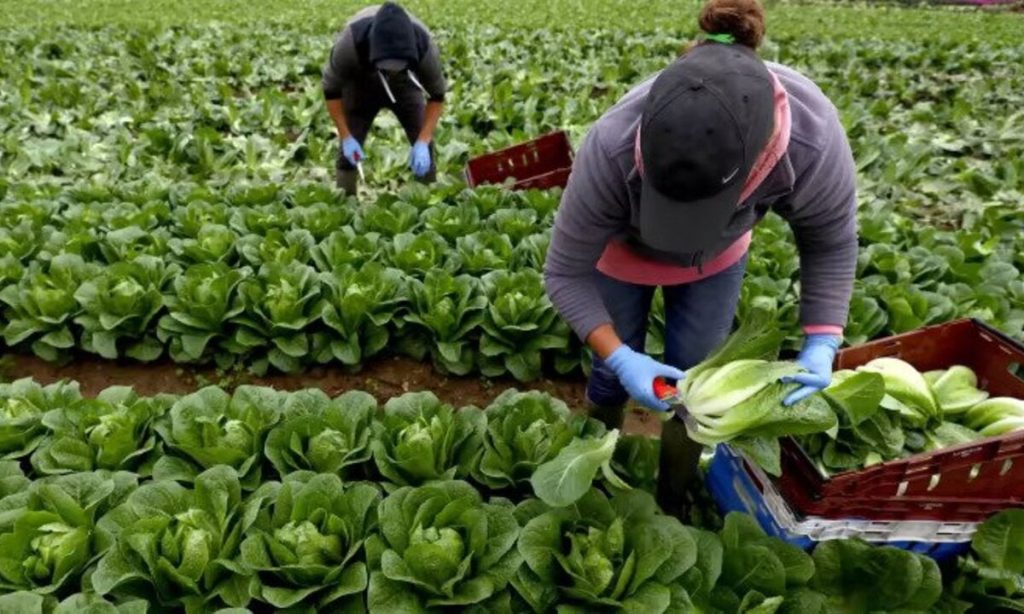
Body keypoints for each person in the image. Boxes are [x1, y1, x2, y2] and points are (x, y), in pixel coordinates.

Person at [543, 0, 857, 505]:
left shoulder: (811, 141)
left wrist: (822, 338)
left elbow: (830, 239)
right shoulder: (612, 144)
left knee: (696, 383)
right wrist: (622, 359)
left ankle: (674, 492)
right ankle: (595, 457)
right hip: (621, 259)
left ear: (762, 160)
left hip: (717, 262)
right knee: (609, 368)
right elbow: (564, 274)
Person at [321, 2, 447, 195]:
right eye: (387, 65)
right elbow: (331, 91)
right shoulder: (351, 42)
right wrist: (345, 136)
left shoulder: (424, 46)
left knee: (426, 148)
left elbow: (437, 96)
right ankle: (345, 206)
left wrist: (423, 140)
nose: (391, 70)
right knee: (347, 155)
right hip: (361, 85)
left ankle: (427, 202)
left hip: (407, 86)